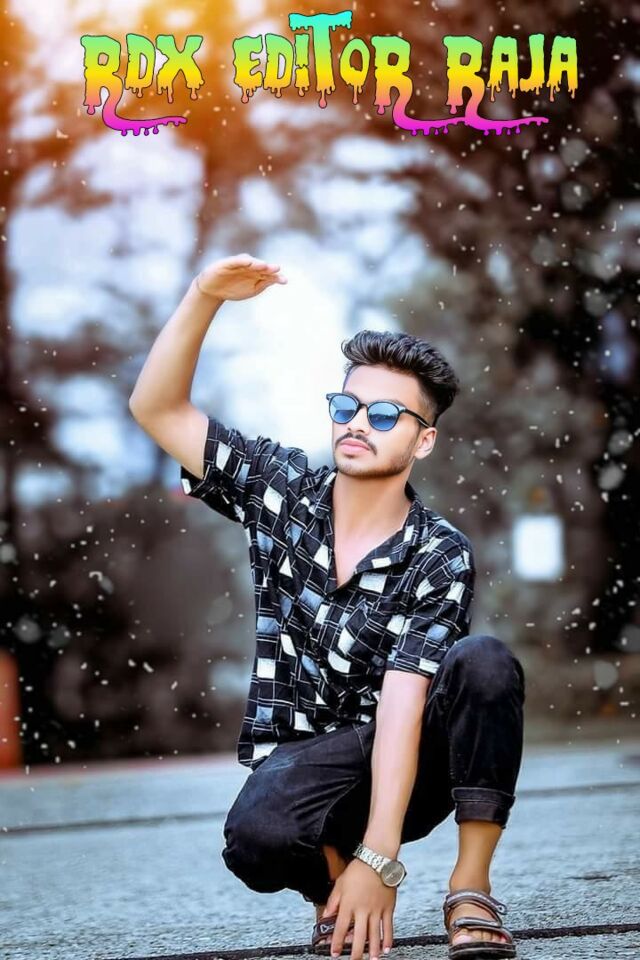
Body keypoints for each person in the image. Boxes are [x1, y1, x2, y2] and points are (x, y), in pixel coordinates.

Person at [129, 253, 525, 960]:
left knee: (484, 664)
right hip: (312, 763)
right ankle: (334, 891)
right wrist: (203, 295)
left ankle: (471, 885)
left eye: (385, 414)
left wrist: (383, 858)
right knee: (254, 839)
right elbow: (156, 410)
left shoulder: (439, 552)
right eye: (347, 407)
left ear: (423, 440)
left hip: (418, 759)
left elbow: (404, 703)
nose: (358, 423)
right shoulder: (280, 492)